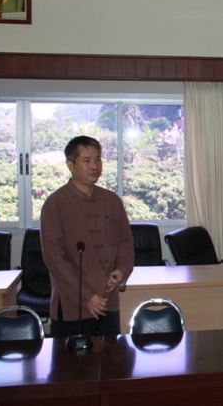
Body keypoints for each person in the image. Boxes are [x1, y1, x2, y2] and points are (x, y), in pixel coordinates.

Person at [41, 136, 135, 337]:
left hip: (108, 300)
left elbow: (125, 241)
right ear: (70, 165)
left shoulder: (111, 200)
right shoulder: (55, 204)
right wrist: (86, 296)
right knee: (71, 358)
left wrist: (122, 270)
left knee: (110, 355)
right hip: (72, 305)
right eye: (87, 160)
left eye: (98, 159)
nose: (94, 166)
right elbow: (54, 258)